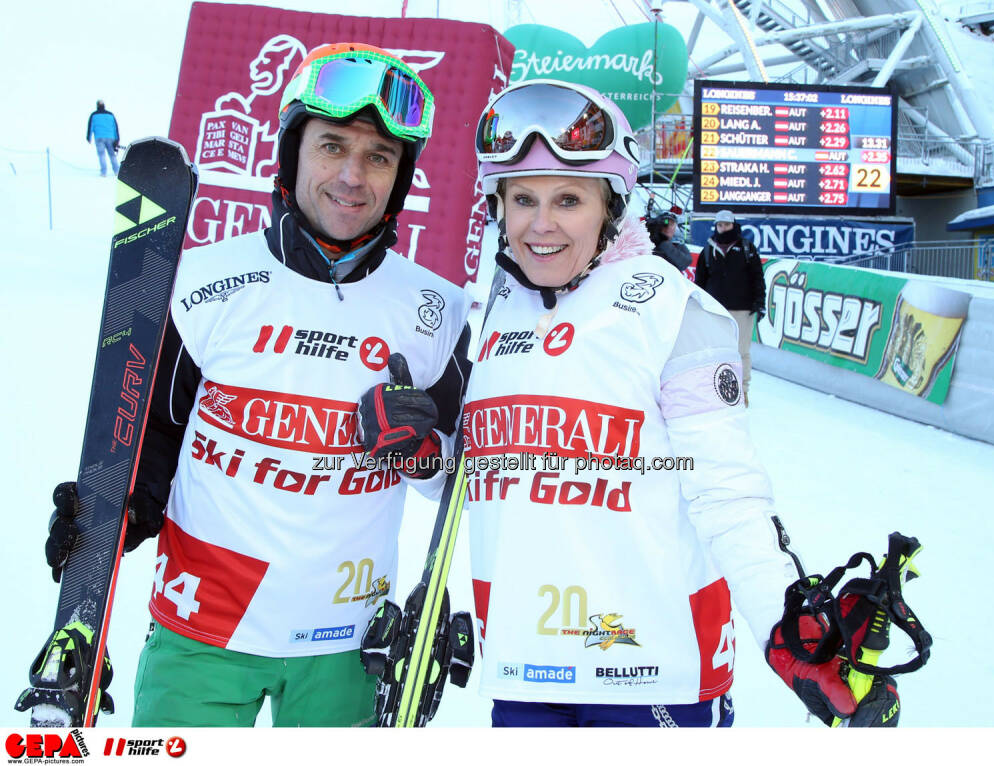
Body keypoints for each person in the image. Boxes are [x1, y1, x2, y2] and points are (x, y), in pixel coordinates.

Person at [41, 43, 471, 727]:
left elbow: (459, 481)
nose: (353, 176)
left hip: (349, 642)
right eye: (332, 147)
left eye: (380, 157)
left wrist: (422, 449)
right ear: (293, 152)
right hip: (203, 630)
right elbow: (150, 433)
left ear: (401, 176)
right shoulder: (202, 283)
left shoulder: (435, 312)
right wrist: (111, 517)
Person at [465, 79, 879, 728]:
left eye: (568, 199)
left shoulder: (669, 309)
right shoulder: (485, 314)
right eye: (522, 199)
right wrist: (415, 450)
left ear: (611, 207)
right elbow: (473, 481)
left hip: (650, 665)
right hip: (524, 662)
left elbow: (725, 491)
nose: (540, 224)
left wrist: (784, 613)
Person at [695, 209, 765, 406]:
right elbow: (700, 281)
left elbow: (757, 277)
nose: (723, 228)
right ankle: (715, 390)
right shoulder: (708, 249)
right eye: (720, 225)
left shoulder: (746, 248)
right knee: (715, 350)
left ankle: (743, 390)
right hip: (715, 309)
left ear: (733, 225)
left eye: (726, 224)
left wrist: (759, 302)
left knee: (741, 351)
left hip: (743, 308)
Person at [86, 100, 121, 176]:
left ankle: (103, 172)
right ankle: (117, 171)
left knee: (101, 155)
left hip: (99, 138)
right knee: (112, 155)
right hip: (110, 138)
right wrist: (117, 139)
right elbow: (115, 127)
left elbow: (90, 127)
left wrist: (88, 138)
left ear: (97, 106)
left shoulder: (93, 115)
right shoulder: (110, 115)